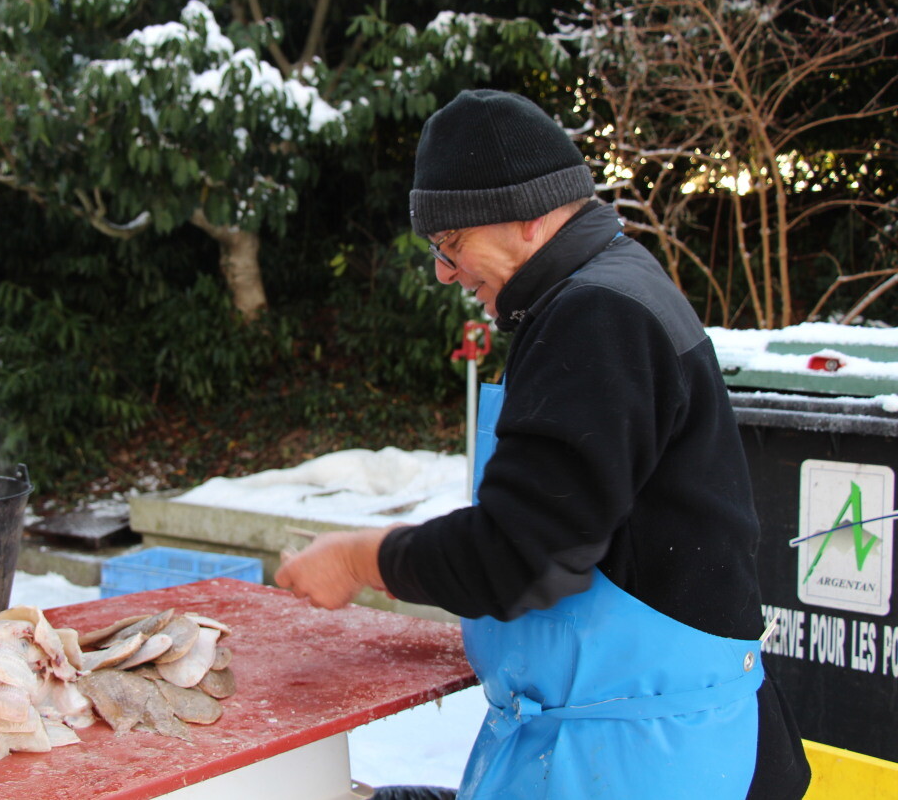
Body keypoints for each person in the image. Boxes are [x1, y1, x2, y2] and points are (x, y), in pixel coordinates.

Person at [275, 89, 811, 799]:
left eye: (451, 243)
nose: (443, 270)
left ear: (528, 215)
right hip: (598, 739)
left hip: (651, 759)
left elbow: (518, 557)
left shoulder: (597, 316)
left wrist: (358, 558)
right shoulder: (603, 292)